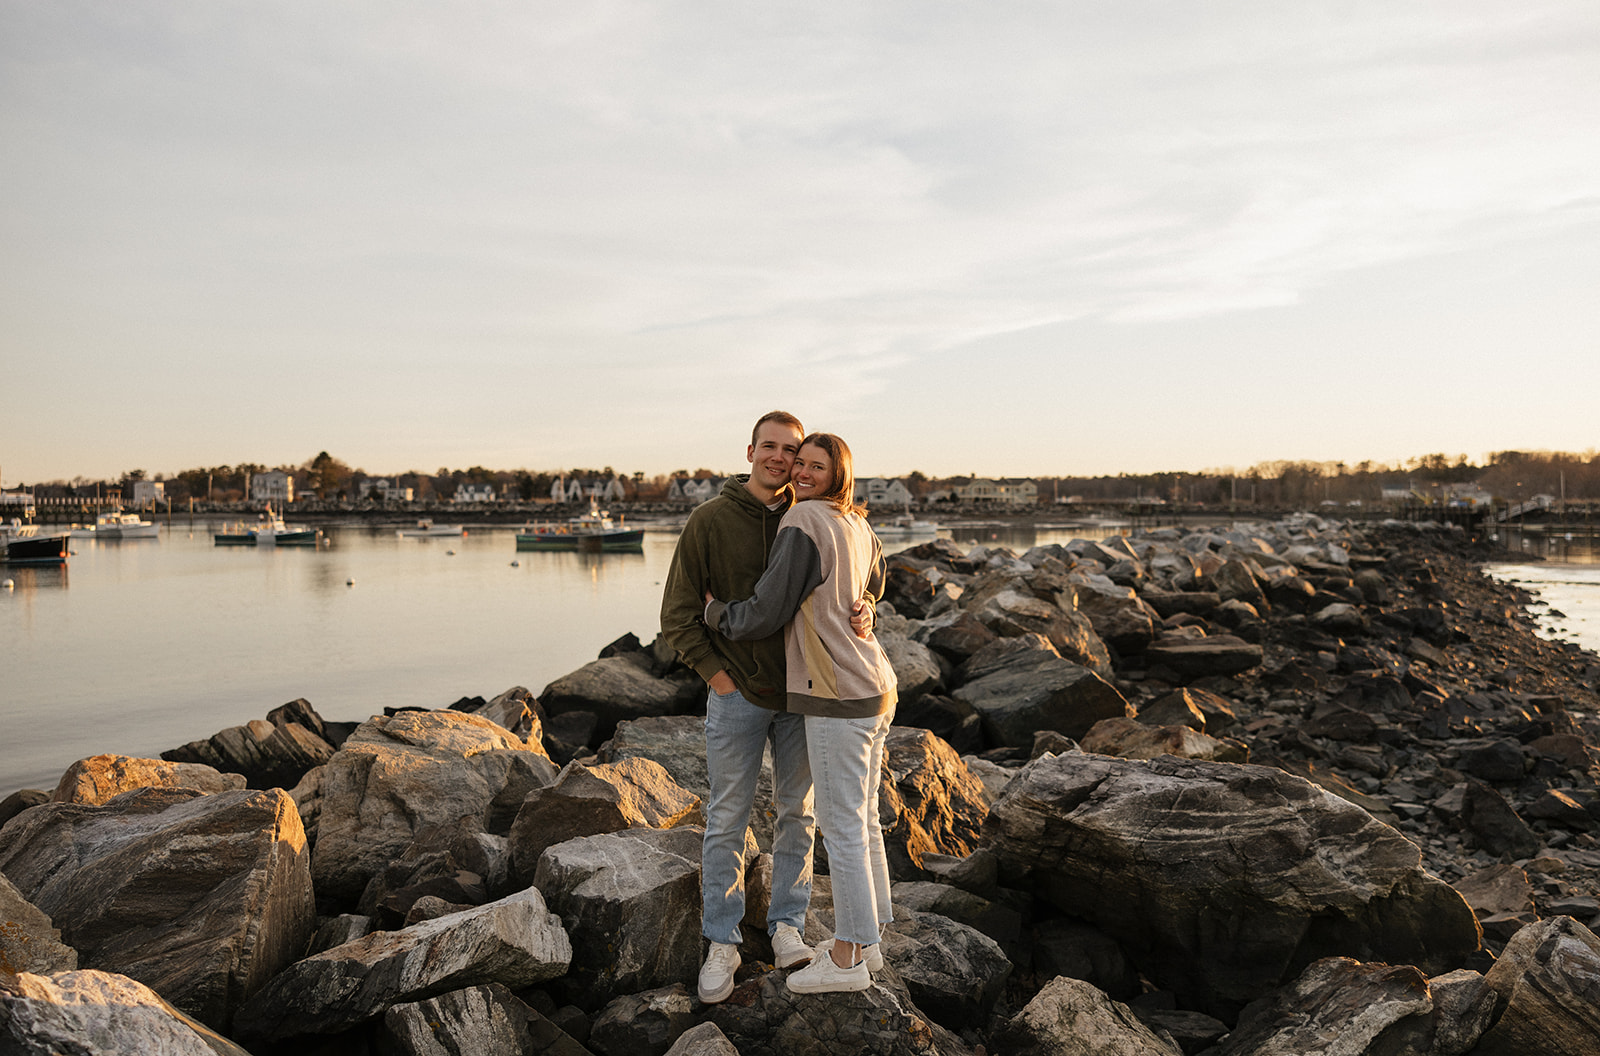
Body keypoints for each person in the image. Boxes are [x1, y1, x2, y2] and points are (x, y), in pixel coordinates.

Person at [659, 411, 874, 1005]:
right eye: (773, 448)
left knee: (796, 815)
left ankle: (786, 926)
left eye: (794, 451)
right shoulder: (709, 520)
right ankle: (722, 940)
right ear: (751, 450)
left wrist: (868, 607)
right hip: (738, 696)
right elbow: (677, 611)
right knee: (727, 817)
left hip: (806, 697)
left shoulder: (812, 512)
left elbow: (867, 565)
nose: (783, 460)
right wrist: (717, 676)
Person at [705, 432, 898, 994]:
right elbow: (877, 583)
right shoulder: (856, 521)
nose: (805, 472)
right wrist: (861, 606)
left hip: (837, 693)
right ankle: (872, 943)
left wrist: (717, 613)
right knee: (862, 821)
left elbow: (767, 610)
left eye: (818, 465)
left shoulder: (803, 521)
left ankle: (844, 961)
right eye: (802, 463)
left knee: (840, 826)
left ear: (838, 472)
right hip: (876, 683)